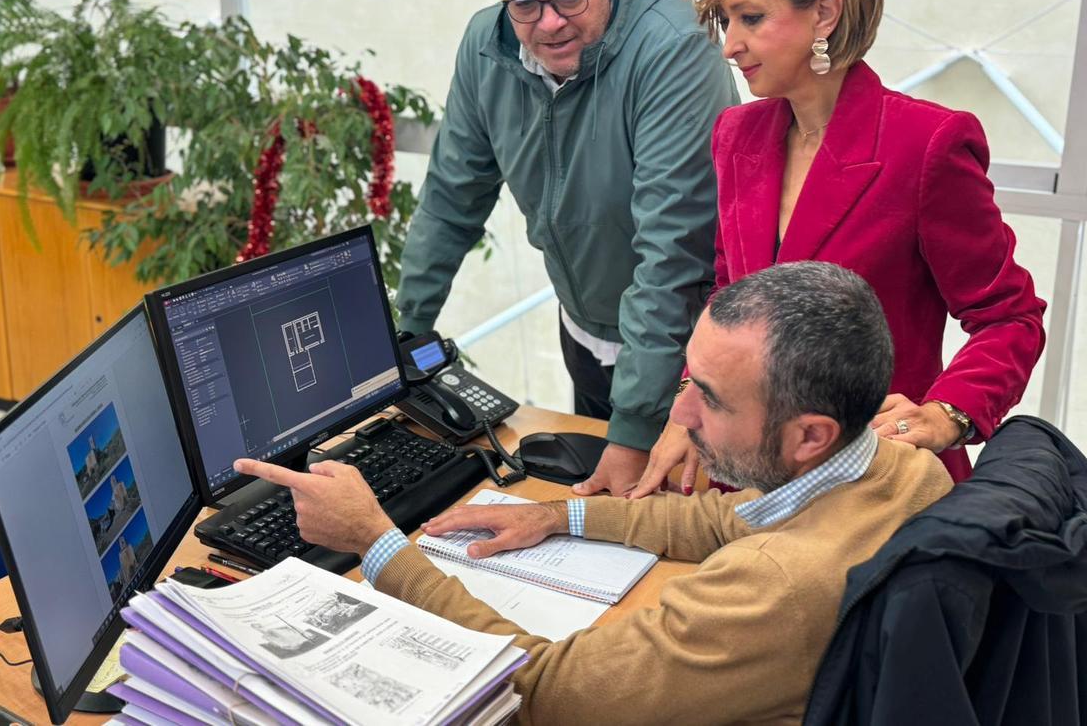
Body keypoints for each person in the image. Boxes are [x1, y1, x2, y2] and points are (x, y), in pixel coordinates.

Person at [235, 262, 955, 724]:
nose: (679, 415)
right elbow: (727, 516)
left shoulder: (775, 586)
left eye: (709, 398)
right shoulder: (900, 464)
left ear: (810, 435)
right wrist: (562, 515)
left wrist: (379, 542)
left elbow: (547, 689)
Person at [632, 0, 1045, 496]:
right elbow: (731, 295)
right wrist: (692, 401)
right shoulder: (736, 136)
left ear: (825, 12)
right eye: (727, 22)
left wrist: (948, 413)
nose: (730, 46)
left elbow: (1010, 316)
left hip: (876, 482)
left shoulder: (927, 145)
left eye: (750, 18)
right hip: (753, 482)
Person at [395, 0, 737, 496]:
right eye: (524, 4)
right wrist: (405, 333)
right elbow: (451, 197)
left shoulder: (673, 50)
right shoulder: (487, 45)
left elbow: (670, 256)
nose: (549, 24)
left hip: (687, 360)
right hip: (584, 329)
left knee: (668, 532)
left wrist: (632, 430)